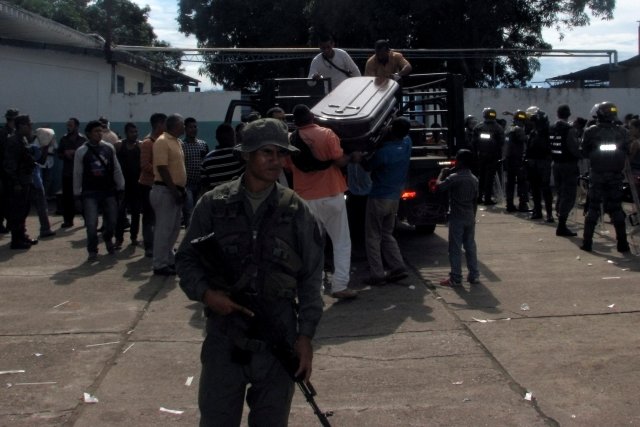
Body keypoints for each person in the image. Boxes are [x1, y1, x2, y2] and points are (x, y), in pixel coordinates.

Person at [175, 118, 324, 426]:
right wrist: (206, 294)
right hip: (224, 335)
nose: (276, 161)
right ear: (245, 155)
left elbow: (312, 276)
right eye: (266, 152)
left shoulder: (296, 210)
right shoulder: (213, 204)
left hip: (278, 333)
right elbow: (186, 259)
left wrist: (305, 336)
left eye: (281, 154)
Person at [286, 104, 359, 299]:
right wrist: (352, 157)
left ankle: (314, 288)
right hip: (331, 194)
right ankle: (340, 286)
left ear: (295, 122)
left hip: (305, 199)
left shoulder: (289, 140)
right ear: (312, 117)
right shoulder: (327, 134)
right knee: (341, 242)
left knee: (311, 246)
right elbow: (339, 160)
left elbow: (287, 167)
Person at [361, 117, 412, 285]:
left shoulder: (384, 152)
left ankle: (377, 274)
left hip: (378, 197)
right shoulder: (406, 144)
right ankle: (398, 266)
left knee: (373, 237)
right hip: (394, 197)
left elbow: (367, 166)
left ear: (392, 130)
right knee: (387, 233)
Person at [580, 102, 630, 253]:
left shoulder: (591, 131)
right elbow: (626, 151)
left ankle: (587, 242)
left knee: (594, 207)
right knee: (616, 208)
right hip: (615, 175)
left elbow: (583, 152)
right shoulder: (622, 132)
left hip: (597, 174)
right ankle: (623, 243)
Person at [73, 120, 125, 261]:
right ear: (88, 134)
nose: (99, 134)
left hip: (109, 191)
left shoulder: (108, 148)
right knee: (91, 224)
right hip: (90, 192)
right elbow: (77, 173)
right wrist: (76, 194)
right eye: (96, 131)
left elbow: (116, 168)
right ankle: (92, 250)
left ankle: (108, 238)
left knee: (112, 221)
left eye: (100, 131)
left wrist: (121, 186)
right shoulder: (81, 151)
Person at [436, 149, 480, 287]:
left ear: (459, 162)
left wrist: (442, 174)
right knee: (470, 246)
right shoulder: (474, 179)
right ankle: (474, 275)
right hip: (469, 216)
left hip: (457, 217)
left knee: (455, 248)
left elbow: (439, 187)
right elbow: (475, 201)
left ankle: (455, 277)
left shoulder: (454, 178)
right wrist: (473, 216)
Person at [150, 113, 187, 276]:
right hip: (165, 190)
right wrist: (173, 190)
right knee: (164, 229)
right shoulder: (162, 141)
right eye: (182, 124)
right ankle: (159, 264)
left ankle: (168, 259)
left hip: (175, 190)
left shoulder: (177, 142)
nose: (184, 127)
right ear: (174, 125)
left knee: (174, 229)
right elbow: (162, 168)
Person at [3, 114, 38, 249]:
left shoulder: (22, 139)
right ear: (22, 126)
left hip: (25, 179)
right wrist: (16, 182)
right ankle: (16, 240)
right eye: (29, 125)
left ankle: (22, 235)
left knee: (24, 210)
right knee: (17, 211)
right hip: (18, 182)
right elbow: (9, 165)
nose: (31, 127)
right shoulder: (13, 141)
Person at [550, 104, 581, 237]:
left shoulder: (551, 128)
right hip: (568, 165)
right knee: (569, 194)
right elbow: (574, 149)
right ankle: (562, 225)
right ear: (568, 114)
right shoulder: (569, 130)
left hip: (556, 163)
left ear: (557, 114)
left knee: (560, 192)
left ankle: (559, 215)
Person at [139, 113, 166, 257]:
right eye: (164, 124)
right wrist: (161, 171)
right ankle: (149, 246)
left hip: (161, 185)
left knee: (160, 218)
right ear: (158, 125)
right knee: (149, 218)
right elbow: (144, 165)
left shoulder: (163, 141)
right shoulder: (148, 143)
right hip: (148, 185)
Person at [525, 106, 554, 222]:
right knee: (535, 188)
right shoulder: (533, 132)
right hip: (533, 162)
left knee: (545, 188)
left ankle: (549, 213)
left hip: (544, 162)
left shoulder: (549, 132)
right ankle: (537, 210)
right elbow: (529, 148)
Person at [115, 122, 142, 248]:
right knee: (120, 213)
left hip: (136, 185)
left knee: (136, 213)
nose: (135, 134)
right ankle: (119, 239)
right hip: (122, 185)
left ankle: (133, 237)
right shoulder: (119, 146)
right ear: (126, 133)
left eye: (136, 131)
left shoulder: (140, 146)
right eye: (132, 132)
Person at [57, 117, 87, 228]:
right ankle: (68, 220)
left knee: (83, 197)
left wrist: (76, 153)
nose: (68, 127)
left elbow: (87, 155)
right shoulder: (64, 139)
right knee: (67, 198)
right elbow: (59, 154)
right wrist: (65, 153)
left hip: (80, 173)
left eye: (71, 125)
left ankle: (87, 218)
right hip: (68, 173)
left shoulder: (83, 140)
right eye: (68, 125)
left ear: (77, 127)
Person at [200, 123, 245, 193]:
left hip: (215, 200)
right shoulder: (240, 156)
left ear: (216, 138)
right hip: (237, 199)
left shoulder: (207, 160)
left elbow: (205, 186)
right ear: (233, 137)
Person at [472, 107, 504, 205]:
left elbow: (473, 142)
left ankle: (479, 197)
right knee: (489, 178)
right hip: (493, 156)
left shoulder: (478, 127)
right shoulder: (498, 127)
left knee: (480, 177)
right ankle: (487, 198)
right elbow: (501, 143)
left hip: (481, 155)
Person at [181, 117, 209, 228]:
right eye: (190, 127)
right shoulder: (181, 145)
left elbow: (207, 163)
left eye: (195, 126)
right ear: (185, 129)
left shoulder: (203, 144)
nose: (193, 129)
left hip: (200, 185)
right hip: (187, 185)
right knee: (189, 211)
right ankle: (189, 237)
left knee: (199, 212)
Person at [30, 128, 56, 238]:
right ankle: (45, 229)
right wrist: (44, 148)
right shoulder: (32, 146)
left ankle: (45, 229)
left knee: (41, 204)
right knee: (40, 205)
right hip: (32, 179)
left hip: (33, 179)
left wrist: (45, 148)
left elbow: (41, 160)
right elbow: (40, 160)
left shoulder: (30, 145)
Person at [504, 110, 530, 212]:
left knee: (510, 183)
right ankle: (522, 205)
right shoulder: (519, 129)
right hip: (517, 160)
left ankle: (509, 204)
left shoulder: (509, 129)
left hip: (508, 159)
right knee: (522, 182)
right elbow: (525, 139)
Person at [0, 108, 20, 234]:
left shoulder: (14, 132)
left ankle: (10, 223)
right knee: (4, 198)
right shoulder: (4, 133)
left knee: (11, 199)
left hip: (12, 170)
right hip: (4, 170)